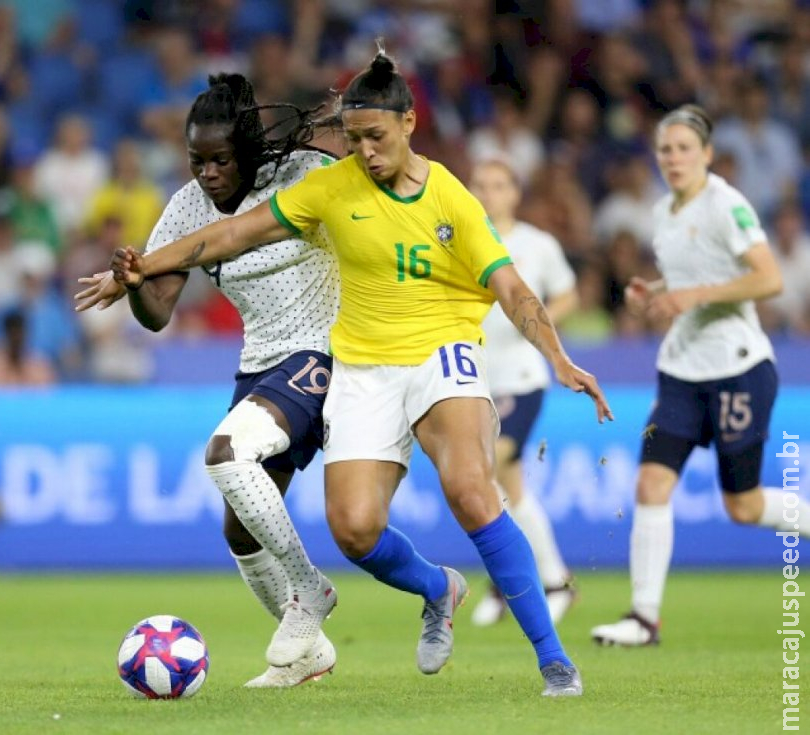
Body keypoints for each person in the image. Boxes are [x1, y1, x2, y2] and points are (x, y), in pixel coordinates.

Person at [112, 51, 613, 697]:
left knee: (469, 489)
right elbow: (232, 235)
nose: (365, 152)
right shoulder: (331, 186)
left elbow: (512, 287)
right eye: (353, 140)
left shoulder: (449, 196)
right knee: (353, 528)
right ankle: (439, 589)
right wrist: (142, 267)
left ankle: (554, 660)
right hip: (362, 368)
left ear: (409, 123)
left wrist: (559, 357)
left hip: (442, 352)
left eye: (375, 137)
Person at [75, 74, 339, 687]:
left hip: (321, 352)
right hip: (259, 364)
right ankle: (310, 655)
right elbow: (159, 312)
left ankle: (310, 587)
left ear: (247, 150)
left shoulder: (300, 174)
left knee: (223, 453)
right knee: (238, 528)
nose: (209, 173)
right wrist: (138, 285)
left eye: (220, 160)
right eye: (197, 160)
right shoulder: (188, 206)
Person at [591, 104, 801, 647]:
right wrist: (656, 292)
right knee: (651, 482)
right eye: (665, 149)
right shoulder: (662, 211)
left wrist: (694, 297)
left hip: (737, 368)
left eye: (685, 148)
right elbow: (691, 273)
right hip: (681, 372)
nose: (674, 158)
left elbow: (769, 278)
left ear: (706, 154)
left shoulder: (727, 205)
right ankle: (643, 618)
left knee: (744, 505)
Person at [464, 159, 580, 627]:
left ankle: (555, 581)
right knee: (494, 486)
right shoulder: (460, 240)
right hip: (474, 380)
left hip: (522, 378)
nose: (488, 193)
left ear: (515, 193)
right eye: (480, 185)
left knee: (496, 462)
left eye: (498, 185)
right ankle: (511, 582)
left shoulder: (537, 244)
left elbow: (569, 293)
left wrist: (539, 323)